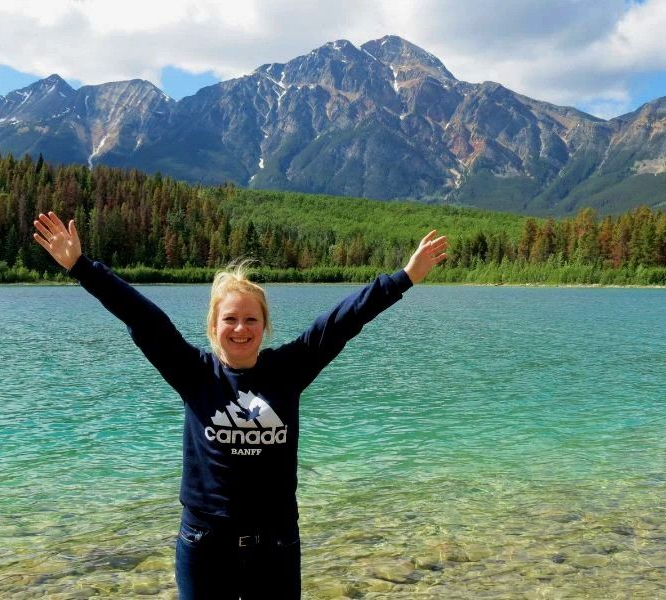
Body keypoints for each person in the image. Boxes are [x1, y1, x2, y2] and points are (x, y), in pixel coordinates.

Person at [32, 210, 447, 600]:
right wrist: (82, 267)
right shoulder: (193, 372)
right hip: (204, 546)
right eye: (230, 319)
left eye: (251, 319)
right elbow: (142, 317)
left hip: (275, 546)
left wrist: (405, 277)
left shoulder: (288, 369)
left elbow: (343, 320)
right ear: (214, 327)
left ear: (264, 326)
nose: (240, 329)